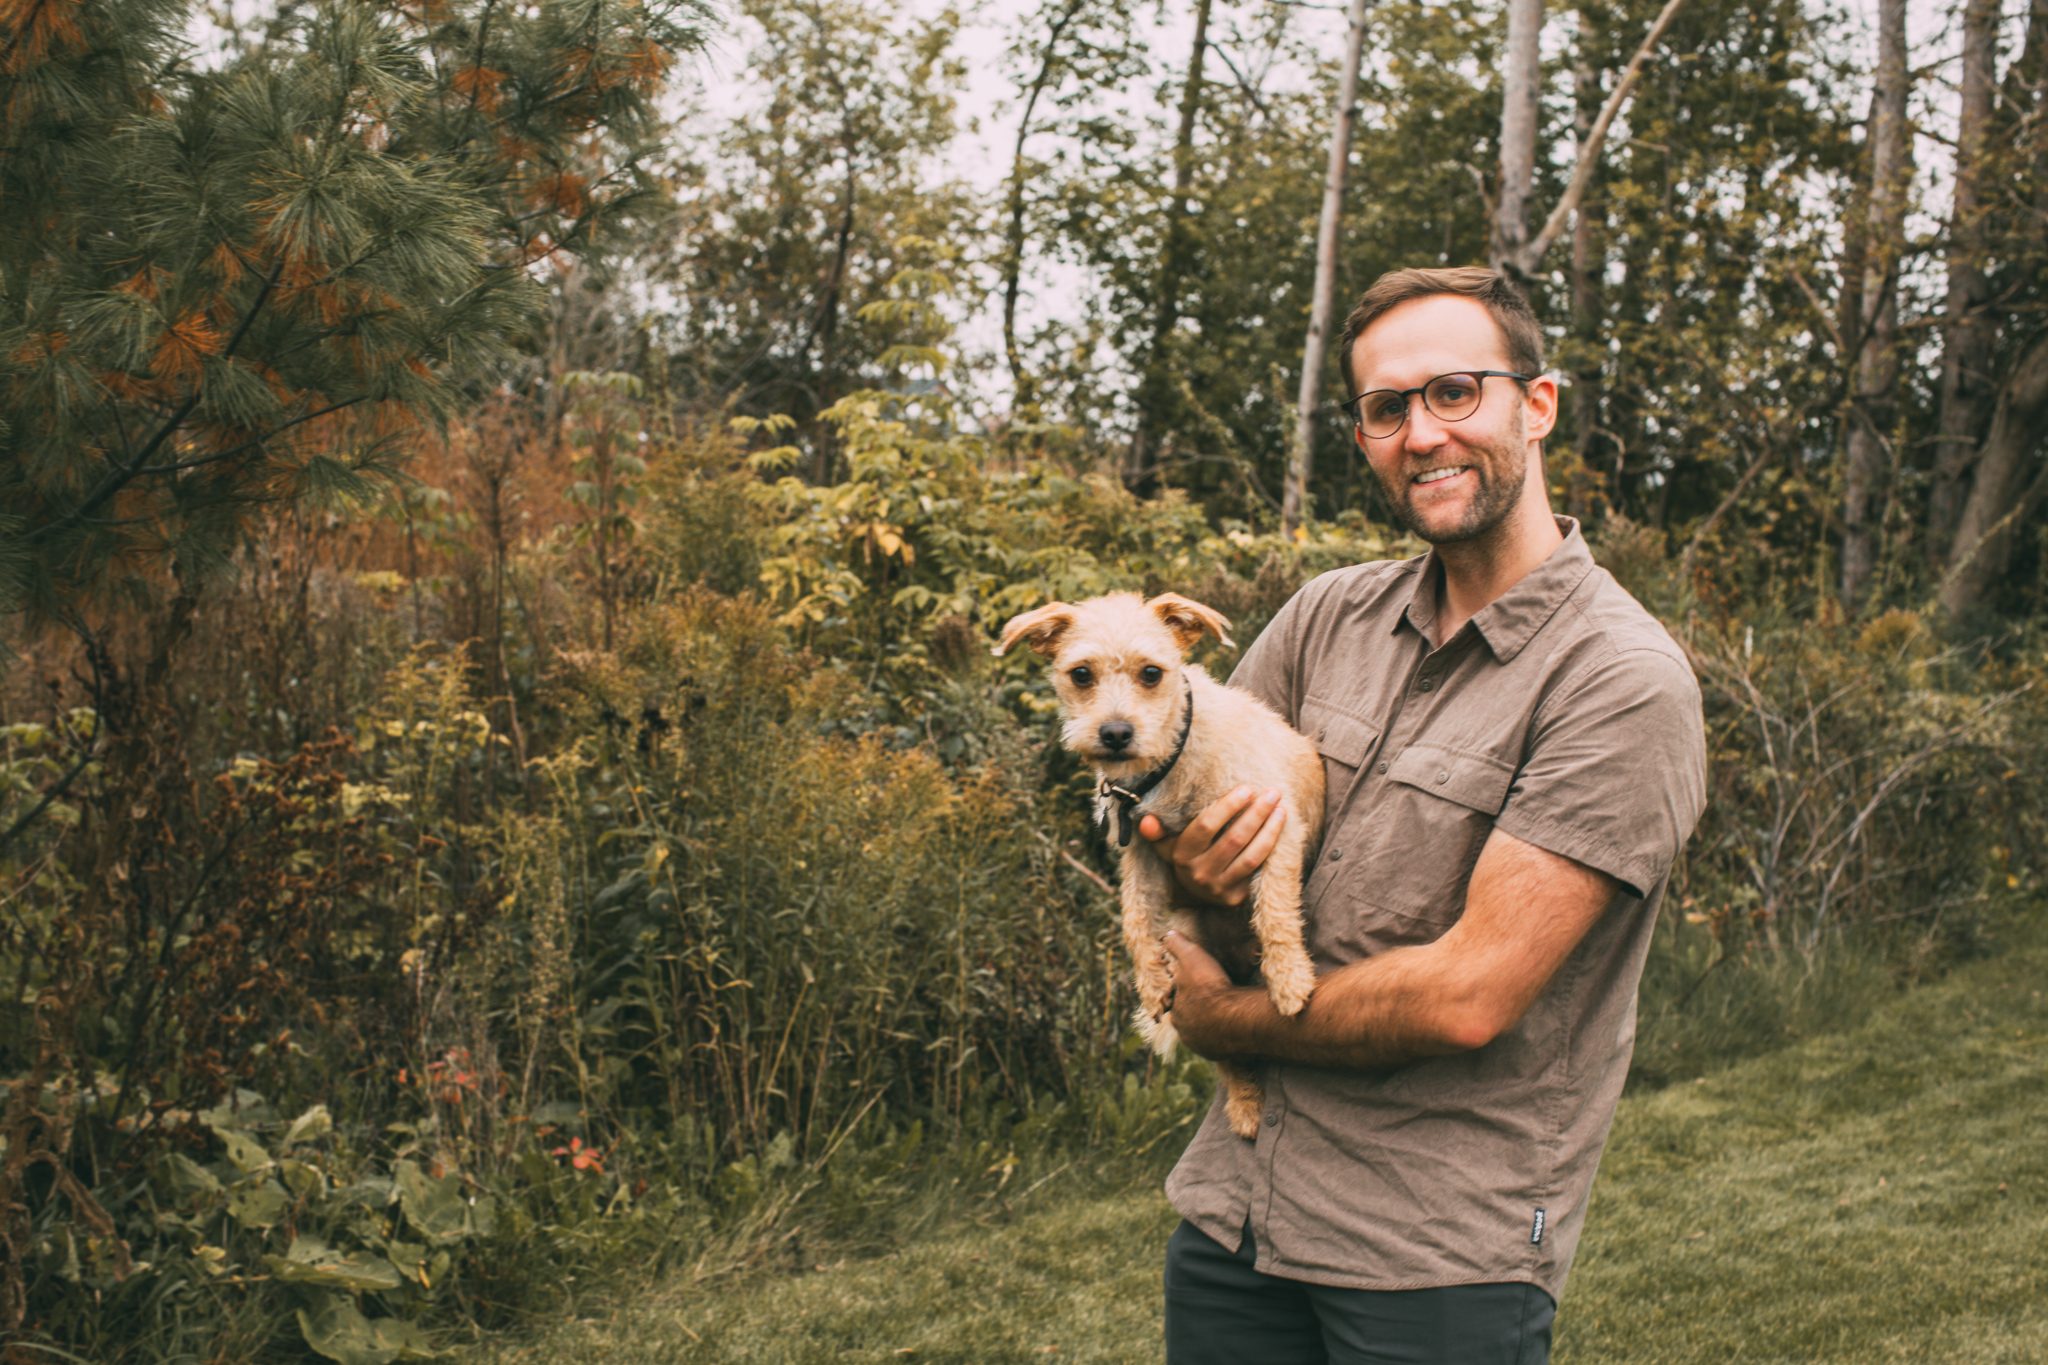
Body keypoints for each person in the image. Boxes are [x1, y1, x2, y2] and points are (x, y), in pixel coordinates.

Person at [1135, 266, 1707, 1364]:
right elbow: (1168, 822)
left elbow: (1467, 997)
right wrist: (1190, 866)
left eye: (1453, 392)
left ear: (1533, 407)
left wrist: (1218, 1020)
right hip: (1235, 1211)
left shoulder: (1616, 680)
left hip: (1433, 1253)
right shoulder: (1322, 618)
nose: (1421, 432)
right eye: (1386, 408)